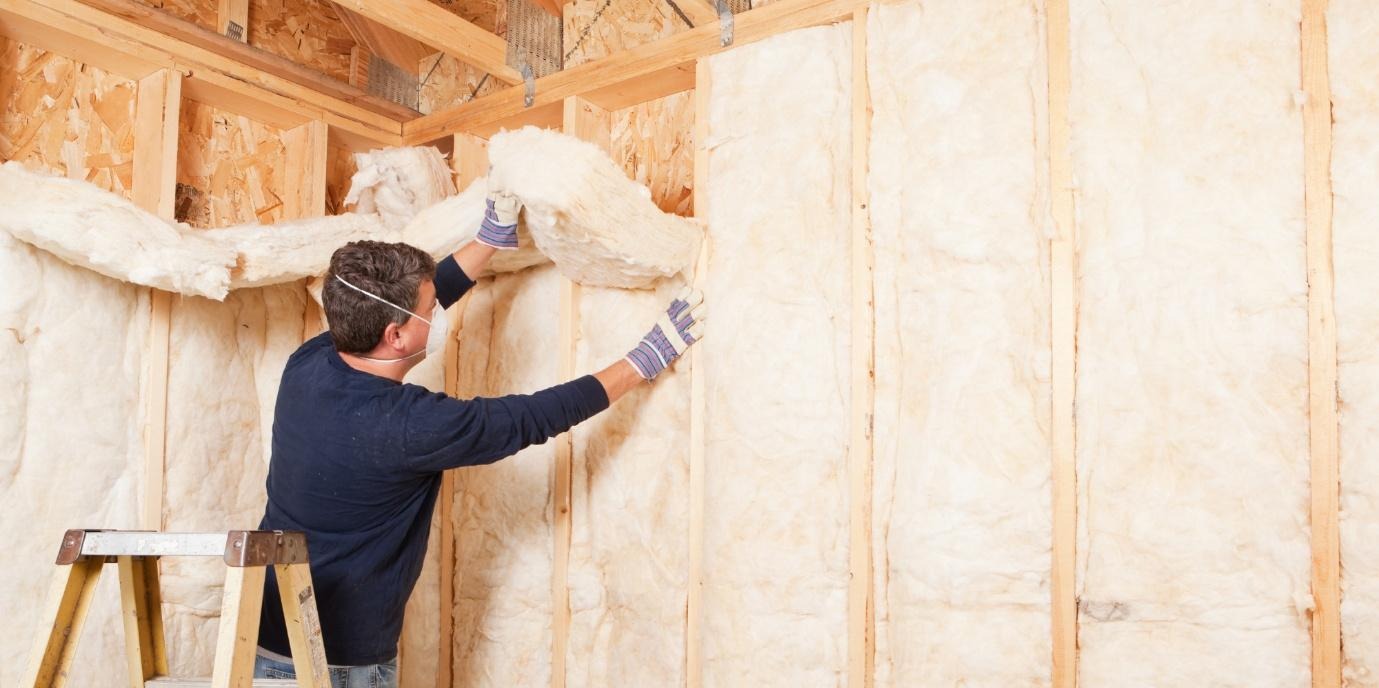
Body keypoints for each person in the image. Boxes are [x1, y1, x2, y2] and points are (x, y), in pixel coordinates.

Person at [251, 188, 704, 687]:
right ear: (395, 336)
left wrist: (488, 240)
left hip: (266, 635)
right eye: (429, 312)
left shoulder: (310, 362)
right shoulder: (410, 425)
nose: (436, 314)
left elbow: (400, 305)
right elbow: (530, 417)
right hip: (335, 666)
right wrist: (644, 359)